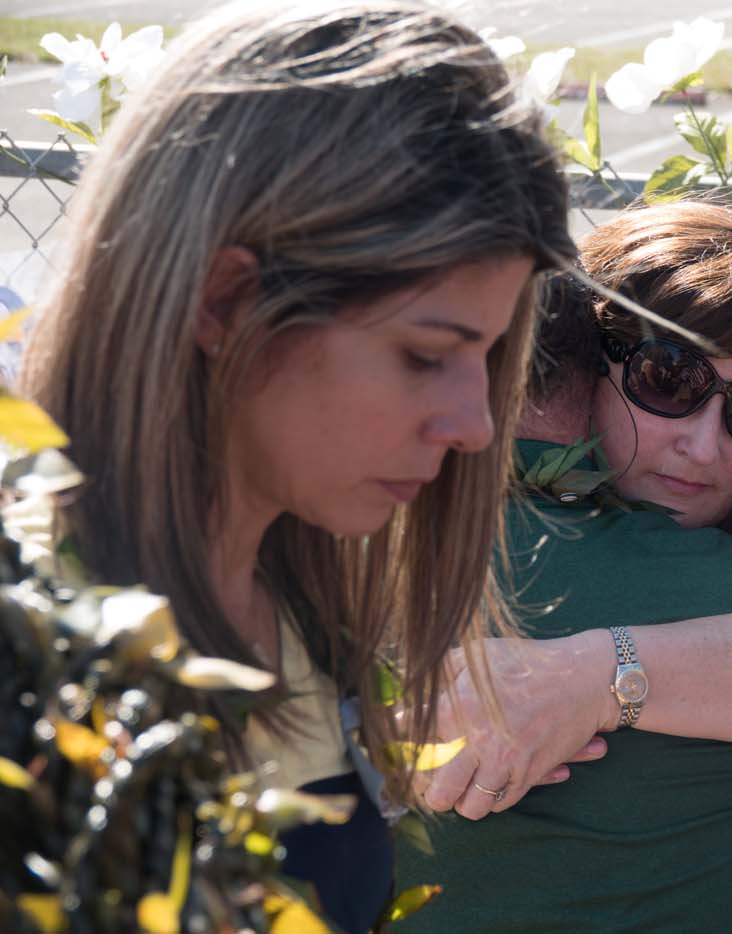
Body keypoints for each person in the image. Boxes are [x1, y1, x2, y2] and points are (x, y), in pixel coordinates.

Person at [17, 2, 573, 930]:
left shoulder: (303, 616)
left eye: (490, 356)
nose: (477, 425)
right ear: (227, 300)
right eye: (425, 354)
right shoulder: (26, 637)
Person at [398, 266, 732, 932]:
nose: (703, 445)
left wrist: (602, 676)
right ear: (589, 364)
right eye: (668, 379)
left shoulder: (343, 546)